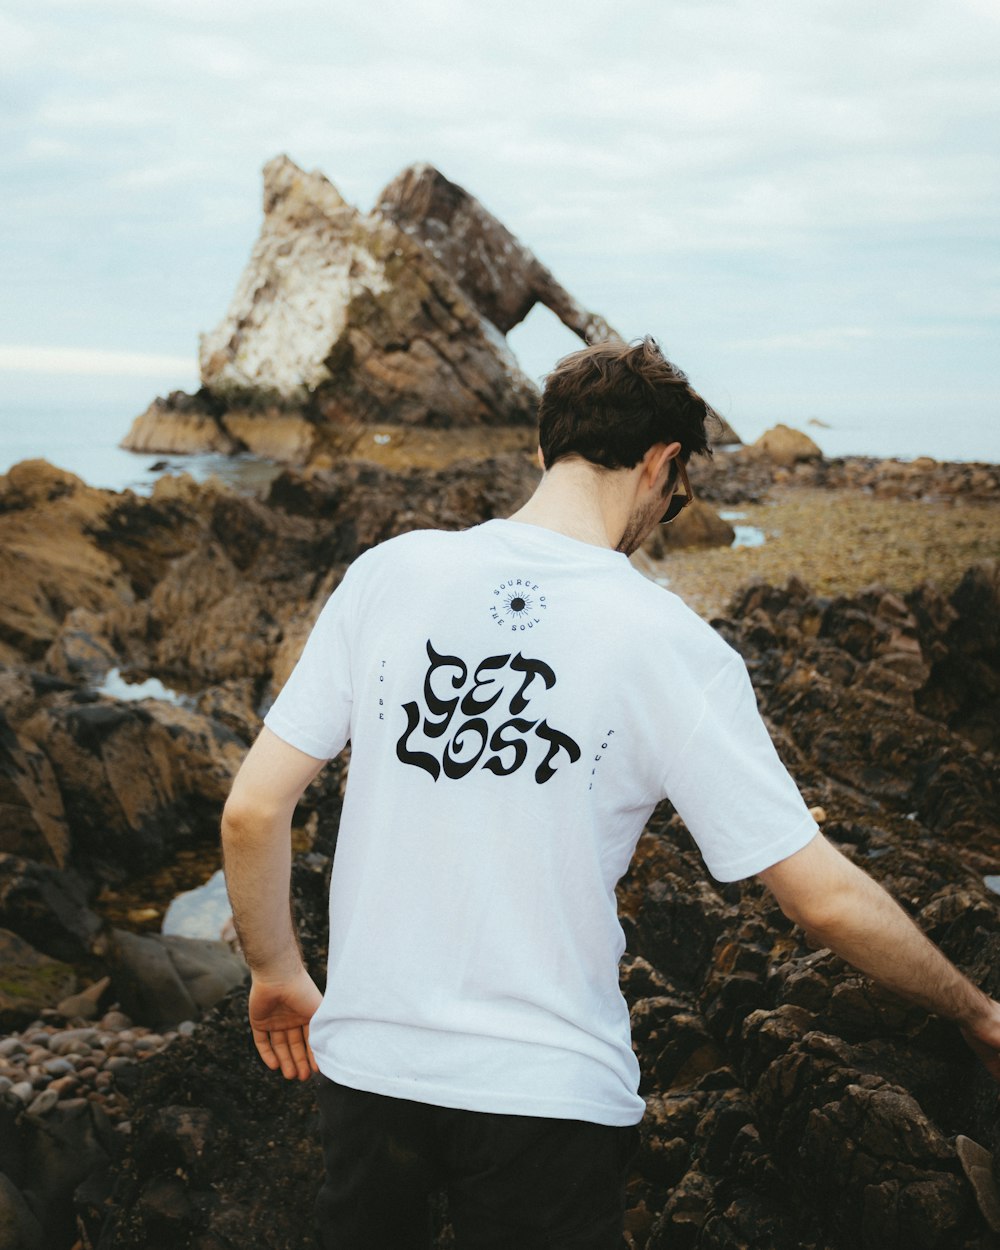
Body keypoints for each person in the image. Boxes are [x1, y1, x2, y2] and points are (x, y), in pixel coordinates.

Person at [220, 337, 1000, 1250]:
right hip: (547, 1101)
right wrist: (975, 1010)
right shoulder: (670, 646)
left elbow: (253, 810)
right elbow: (822, 900)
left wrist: (276, 973)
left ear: (544, 449)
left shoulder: (389, 575)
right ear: (662, 466)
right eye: (677, 500)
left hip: (370, 1075)